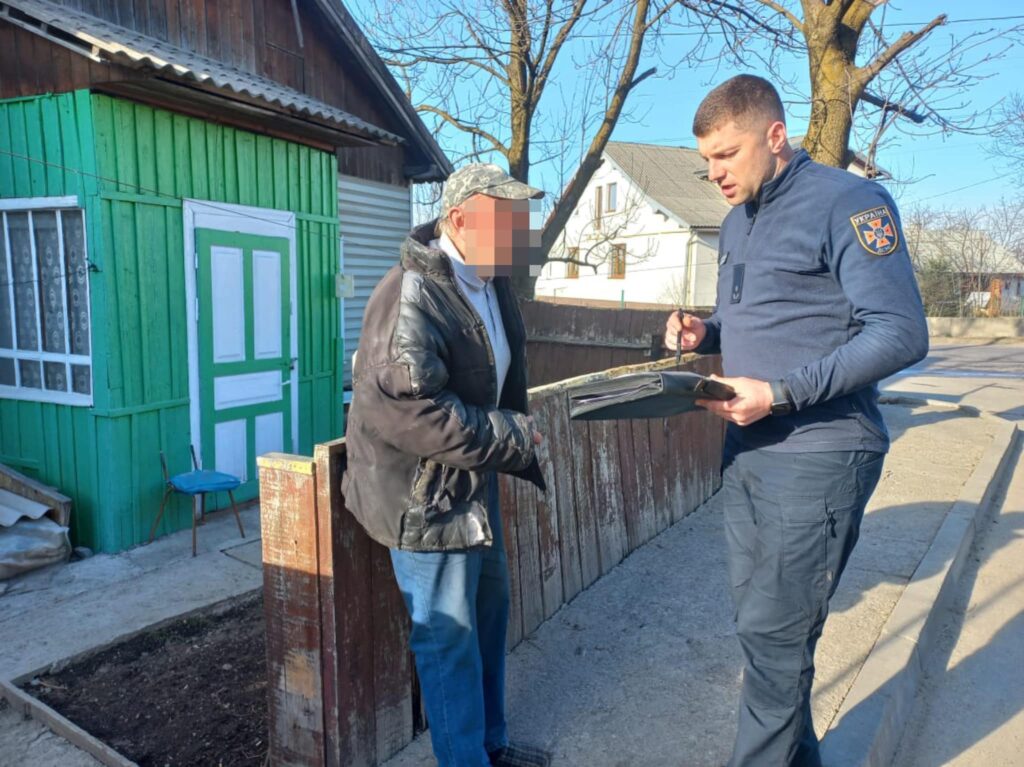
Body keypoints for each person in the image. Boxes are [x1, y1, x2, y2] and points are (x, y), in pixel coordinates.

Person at [665, 75, 929, 767]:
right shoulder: (734, 219)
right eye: (707, 161)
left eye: (726, 154)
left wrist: (779, 392)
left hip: (820, 455)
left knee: (774, 645)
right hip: (746, 452)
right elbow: (761, 314)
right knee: (768, 639)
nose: (714, 173)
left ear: (775, 136)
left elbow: (901, 333)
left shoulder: (851, 202)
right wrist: (706, 329)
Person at [342, 164, 552, 767]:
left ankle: (490, 744)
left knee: (488, 615)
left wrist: (502, 437)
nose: (520, 229)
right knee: (447, 637)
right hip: (422, 495)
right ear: (458, 220)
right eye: (506, 217)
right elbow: (410, 412)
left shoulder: (489, 279)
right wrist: (510, 433)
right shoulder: (410, 291)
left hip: (471, 477)